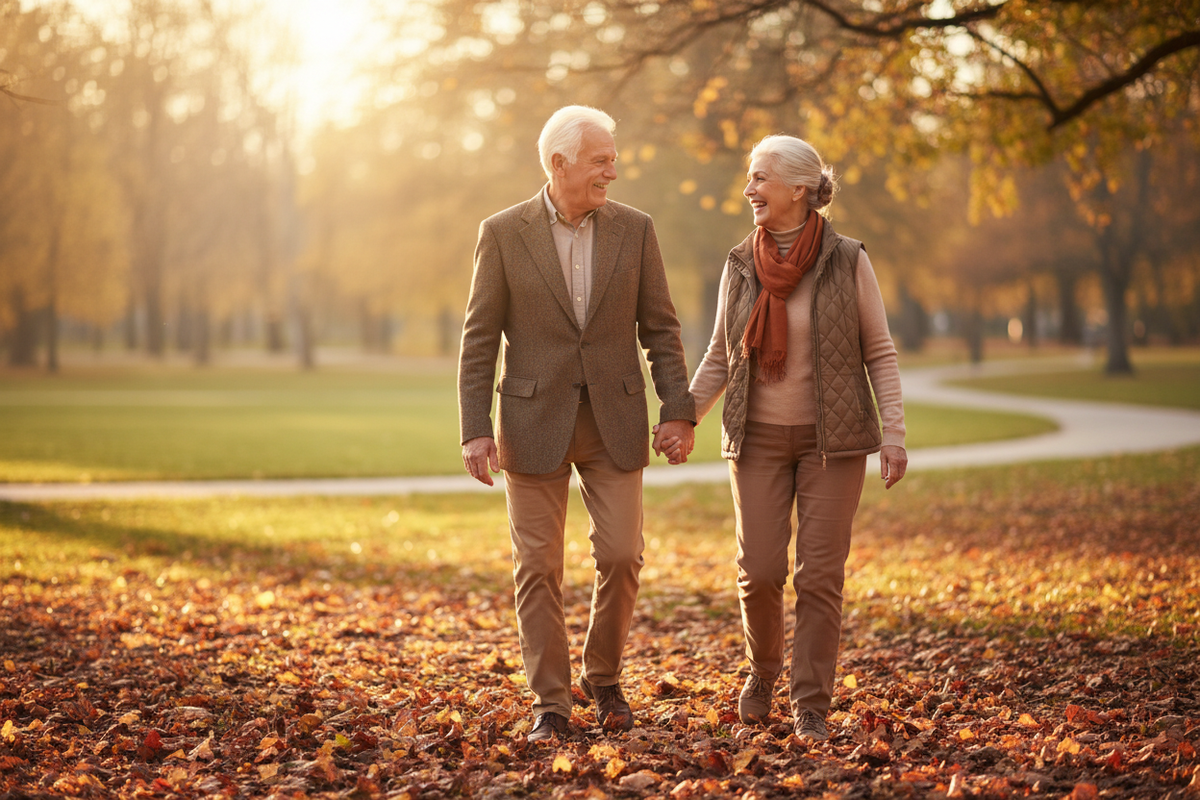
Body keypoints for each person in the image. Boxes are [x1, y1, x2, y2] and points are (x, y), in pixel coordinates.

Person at [457, 105, 697, 743]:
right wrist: (474, 426)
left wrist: (677, 409)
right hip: (532, 419)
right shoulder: (503, 232)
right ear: (558, 164)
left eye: (613, 159)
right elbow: (479, 338)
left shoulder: (636, 230)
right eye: (601, 160)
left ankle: (604, 674)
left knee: (621, 554)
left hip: (615, 416)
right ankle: (551, 704)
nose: (613, 172)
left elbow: (663, 330)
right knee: (537, 566)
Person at [659, 134, 906, 741]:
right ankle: (763, 671)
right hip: (758, 438)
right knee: (761, 570)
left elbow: (879, 349)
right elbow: (720, 354)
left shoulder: (848, 259)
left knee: (820, 577)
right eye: (749, 176)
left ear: (799, 188)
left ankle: (811, 703)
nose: (749, 189)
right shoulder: (740, 262)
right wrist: (682, 415)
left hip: (835, 442)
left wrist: (894, 433)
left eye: (760, 178)